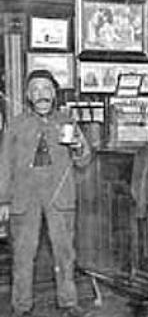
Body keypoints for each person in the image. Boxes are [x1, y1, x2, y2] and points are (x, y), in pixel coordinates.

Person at [0, 70, 92, 317]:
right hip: (24, 198)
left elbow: (84, 160)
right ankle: (21, 307)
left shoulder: (67, 122)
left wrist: (78, 147)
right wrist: (3, 200)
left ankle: (69, 303)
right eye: (35, 90)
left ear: (54, 93)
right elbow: (4, 163)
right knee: (22, 254)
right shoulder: (16, 125)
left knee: (65, 253)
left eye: (46, 89)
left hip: (59, 197)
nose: (41, 94)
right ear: (28, 96)